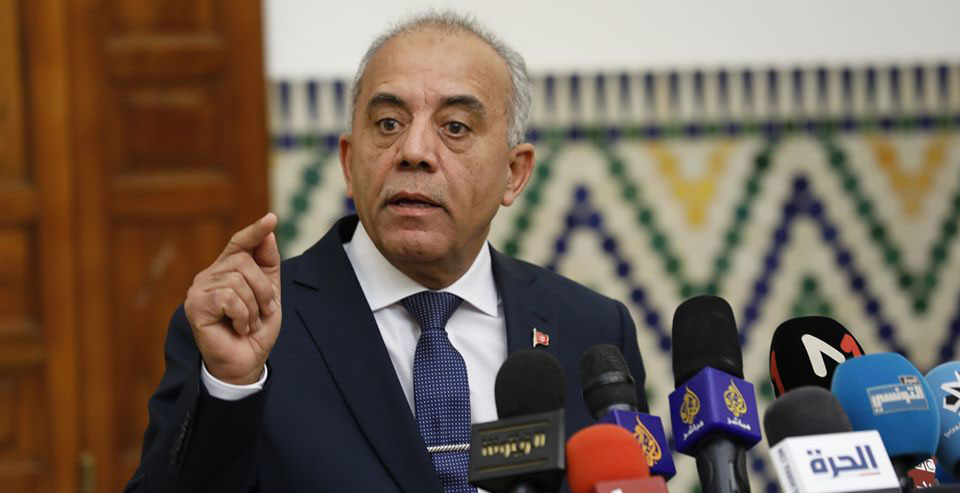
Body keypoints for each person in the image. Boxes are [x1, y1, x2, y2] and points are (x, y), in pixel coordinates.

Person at [125, 11, 646, 493]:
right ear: (349, 163)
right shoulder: (248, 327)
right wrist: (230, 387)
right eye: (389, 124)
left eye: (455, 127)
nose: (414, 152)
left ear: (514, 173)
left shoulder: (593, 331)